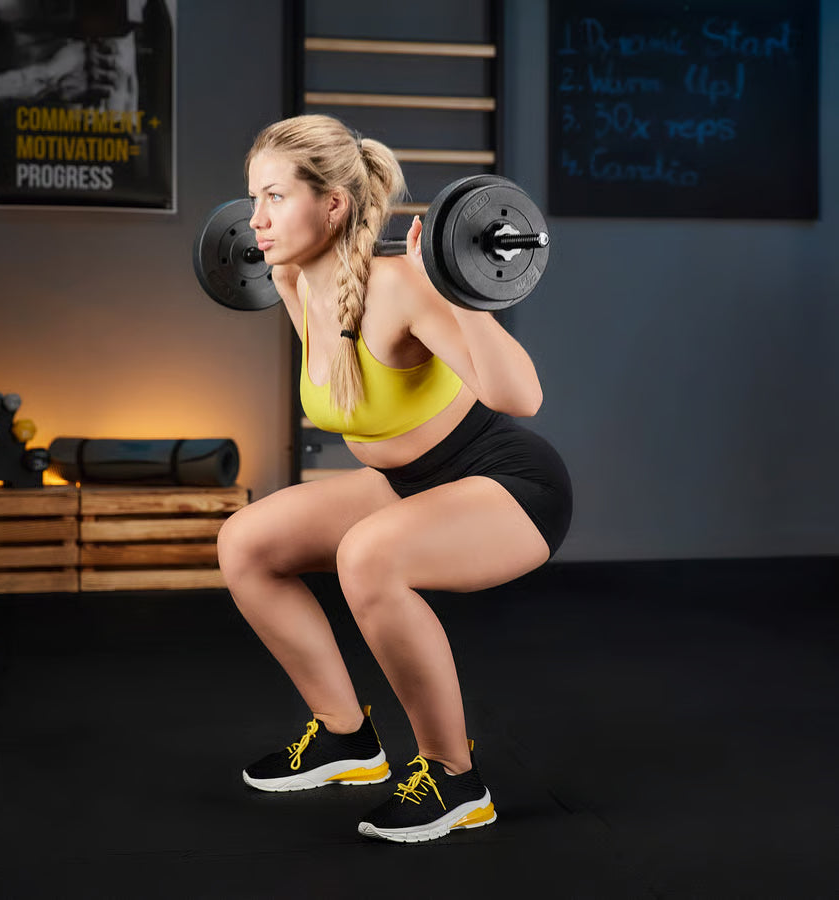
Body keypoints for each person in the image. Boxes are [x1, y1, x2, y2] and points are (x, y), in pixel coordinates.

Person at [217, 114, 572, 844]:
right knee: (247, 541)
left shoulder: (403, 285)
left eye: (275, 197)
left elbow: (523, 398)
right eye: (253, 198)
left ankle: (454, 778)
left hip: (509, 484)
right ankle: (347, 741)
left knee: (368, 555)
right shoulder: (292, 281)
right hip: (408, 482)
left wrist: (459, 290)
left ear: (333, 205)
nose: (255, 219)